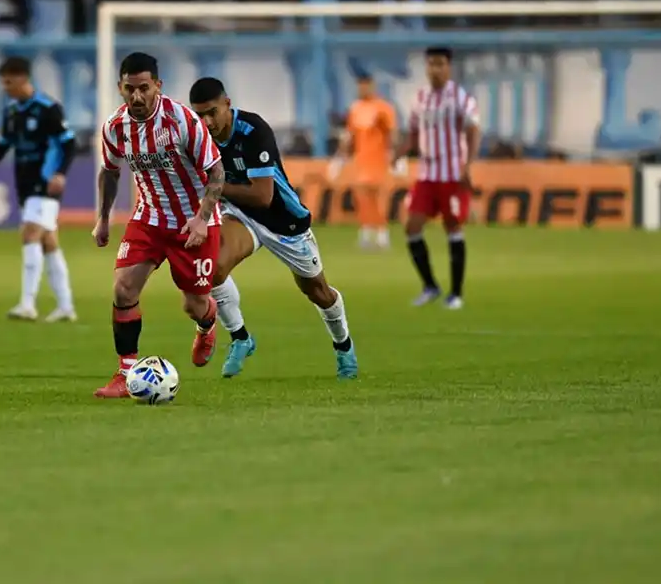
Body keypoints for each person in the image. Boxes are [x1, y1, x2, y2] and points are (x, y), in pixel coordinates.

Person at [189, 77, 357, 380]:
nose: (206, 121)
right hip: (242, 216)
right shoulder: (199, 135)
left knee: (317, 291)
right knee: (212, 267)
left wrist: (216, 186)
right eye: (199, 115)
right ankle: (240, 338)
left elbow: (263, 196)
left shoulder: (254, 131)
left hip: (283, 220)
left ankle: (344, 346)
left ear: (227, 104)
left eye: (212, 112)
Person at [92, 53, 225, 399]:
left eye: (144, 88)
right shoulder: (114, 127)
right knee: (123, 288)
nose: (136, 97)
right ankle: (124, 373)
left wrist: (202, 217)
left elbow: (216, 172)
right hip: (149, 218)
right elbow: (109, 171)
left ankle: (207, 323)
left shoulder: (182, 120)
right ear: (120, 88)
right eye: (129, 89)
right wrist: (103, 219)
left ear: (158, 86)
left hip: (194, 222)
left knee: (194, 303)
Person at [0, 56, 77, 323]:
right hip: (24, 182)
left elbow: (69, 143)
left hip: (45, 181)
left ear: (23, 78)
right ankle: (66, 306)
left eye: (9, 82)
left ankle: (27, 303)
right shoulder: (11, 112)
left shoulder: (48, 109)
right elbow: (0, 149)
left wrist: (60, 173)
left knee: (30, 233)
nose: (6, 88)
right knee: (48, 241)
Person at [401, 47, 481, 310]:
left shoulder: (460, 98)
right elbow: (414, 132)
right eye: (431, 64)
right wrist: (399, 152)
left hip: (451, 175)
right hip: (426, 175)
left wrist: (468, 165)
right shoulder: (420, 98)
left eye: (440, 64)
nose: (434, 69)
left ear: (449, 67)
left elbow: (473, 130)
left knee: (453, 228)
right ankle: (430, 286)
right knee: (412, 227)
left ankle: (456, 293)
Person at [336, 74, 397, 250]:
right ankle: (366, 232)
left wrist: (395, 156)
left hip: (378, 161)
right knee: (362, 198)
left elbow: (392, 133)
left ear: (372, 86)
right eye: (359, 86)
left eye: (365, 85)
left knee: (378, 198)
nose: (362, 89)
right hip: (361, 161)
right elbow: (350, 136)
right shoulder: (355, 109)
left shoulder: (383, 108)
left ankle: (382, 234)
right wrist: (341, 158)